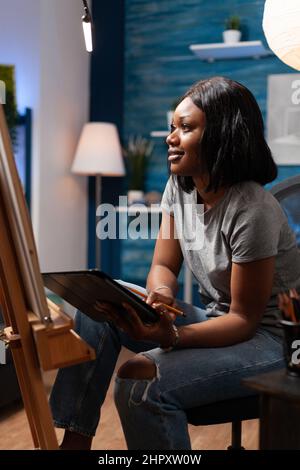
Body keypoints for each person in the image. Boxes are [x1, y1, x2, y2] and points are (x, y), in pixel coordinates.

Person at [50, 76, 300, 450]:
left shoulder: (253, 209)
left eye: (185, 128)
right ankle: (74, 444)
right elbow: (164, 266)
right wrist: (160, 297)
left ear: (222, 135)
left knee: (140, 383)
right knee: (98, 307)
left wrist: (172, 335)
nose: (171, 138)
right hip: (220, 321)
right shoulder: (182, 189)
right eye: (172, 127)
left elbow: (245, 321)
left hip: (271, 342)